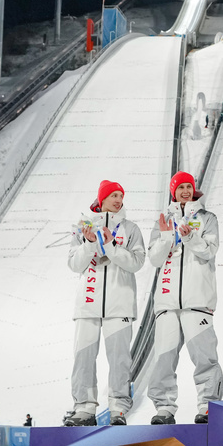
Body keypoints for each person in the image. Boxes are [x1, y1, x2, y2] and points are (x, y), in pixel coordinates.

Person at [65, 180, 146, 426]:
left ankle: (118, 408)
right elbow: (74, 264)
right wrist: (90, 244)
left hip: (119, 304)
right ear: (102, 199)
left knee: (120, 359)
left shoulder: (130, 229)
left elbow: (136, 263)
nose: (118, 200)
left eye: (121, 195)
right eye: (113, 195)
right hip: (87, 304)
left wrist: (110, 246)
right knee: (83, 358)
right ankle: (84, 409)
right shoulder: (82, 227)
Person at [147, 171, 223, 425]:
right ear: (173, 191)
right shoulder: (162, 221)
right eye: (180, 187)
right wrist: (168, 236)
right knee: (163, 359)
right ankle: (164, 408)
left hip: (197, 301)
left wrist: (189, 236)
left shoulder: (207, 218)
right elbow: (155, 260)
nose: (185, 191)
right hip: (167, 304)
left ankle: (208, 406)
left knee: (204, 357)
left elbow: (209, 252)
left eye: (189, 187)